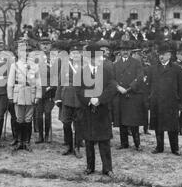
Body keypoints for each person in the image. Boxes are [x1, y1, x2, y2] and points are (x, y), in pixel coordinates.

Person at [76, 43, 116, 178]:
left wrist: (99, 99)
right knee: (89, 140)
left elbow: (111, 88)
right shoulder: (82, 72)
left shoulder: (106, 71)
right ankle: (90, 167)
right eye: (98, 57)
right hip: (88, 111)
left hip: (102, 111)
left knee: (104, 141)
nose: (101, 59)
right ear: (92, 58)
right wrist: (89, 100)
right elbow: (79, 90)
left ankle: (107, 168)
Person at [148, 43, 182, 155]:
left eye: (164, 54)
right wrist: (150, 99)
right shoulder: (153, 68)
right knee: (158, 126)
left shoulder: (177, 69)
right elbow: (149, 86)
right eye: (160, 54)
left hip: (171, 102)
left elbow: (181, 88)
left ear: (169, 55)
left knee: (172, 127)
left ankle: (175, 148)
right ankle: (159, 147)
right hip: (157, 102)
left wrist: (180, 103)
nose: (161, 56)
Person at [7, 40, 42, 151]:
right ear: (18, 53)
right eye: (22, 51)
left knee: (28, 119)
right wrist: (10, 96)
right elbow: (10, 82)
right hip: (19, 94)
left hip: (30, 94)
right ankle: (19, 141)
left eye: (27, 51)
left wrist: (38, 96)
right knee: (19, 118)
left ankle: (26, 142)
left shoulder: (35, 66)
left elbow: (38, 83)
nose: (25, 54)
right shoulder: (15, 65)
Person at [112, 41, 147, 150]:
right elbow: (111, 79)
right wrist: (118, 87)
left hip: (132, 95)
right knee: (122, 121)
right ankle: (124, 143)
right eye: (123, 50)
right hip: (120, 95)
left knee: (134, 121)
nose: (125, 52)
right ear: (120, 52)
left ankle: (137, 144)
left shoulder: (136, 63)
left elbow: (140, 77)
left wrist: (130, 88)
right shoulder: (115, 65)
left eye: (127, 50)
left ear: (130, 52)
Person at [55, 42, 84, 158]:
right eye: (73, 53)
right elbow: (60, 82)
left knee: (78, 124)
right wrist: (57, 97)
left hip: (79, 98)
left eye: (78, 53)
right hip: (66, 97)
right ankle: (69, 146)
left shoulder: (85, 66)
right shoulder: (65, 66)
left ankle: (77, 147)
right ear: (70, 54)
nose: (76, 55)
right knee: (66, 123)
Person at [35, 37, 57, 143]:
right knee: (39, 113)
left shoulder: (54, 58)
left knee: (47, 113)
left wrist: (52, 86)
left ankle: (47, 135)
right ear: (39, 45)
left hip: (50, 89)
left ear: (51, 45)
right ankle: (40, 135)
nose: (45, 46)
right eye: (43, 44)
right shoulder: (35, 58)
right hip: (39, 88)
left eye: (47, 44)